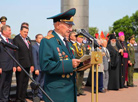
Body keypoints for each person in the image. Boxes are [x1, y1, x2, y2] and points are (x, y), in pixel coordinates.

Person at [39, 8, 81, 102]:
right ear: (58, 25)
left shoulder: (68, 43)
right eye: (68, 26)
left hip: (70, 90)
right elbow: (45, 65)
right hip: (57, 93)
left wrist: (83, 63)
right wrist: (70, 64)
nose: (70, 29)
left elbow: (71, 61)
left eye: (71, 26)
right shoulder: (47, 41)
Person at [13, 26, 34, 102]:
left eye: (27, 32)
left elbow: (30, 53)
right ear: (20, 31)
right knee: (20, 82)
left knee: (25, 82)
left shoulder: (28, 39)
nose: (26, 33)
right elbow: (16, 53)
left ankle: (23, 97)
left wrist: (32, 64)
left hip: (27, 64)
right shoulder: (16, 39)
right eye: (24, 32)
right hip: (21, 65)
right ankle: (18, 98)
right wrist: (17, 64)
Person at [0, 25, 16, 102]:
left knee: (7, 84)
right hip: (2, 67)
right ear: (4, 31)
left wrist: (14, 65)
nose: (10, 32)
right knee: (1, 84)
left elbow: (13, 54)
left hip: (9, 66)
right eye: (9, 30)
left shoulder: (10, 41)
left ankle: (5, 99)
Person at [32, 34, 44, 100]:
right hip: (38, 68)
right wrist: (36, 68)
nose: (41, 39)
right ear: (36, 39)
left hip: (43, 68)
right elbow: (34, 58)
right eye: (39, 38)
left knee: (42, 83)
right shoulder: (34, 47)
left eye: (42, 38)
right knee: (37, 82)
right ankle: (35, 96)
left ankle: (40, 95)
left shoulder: (43, 47)